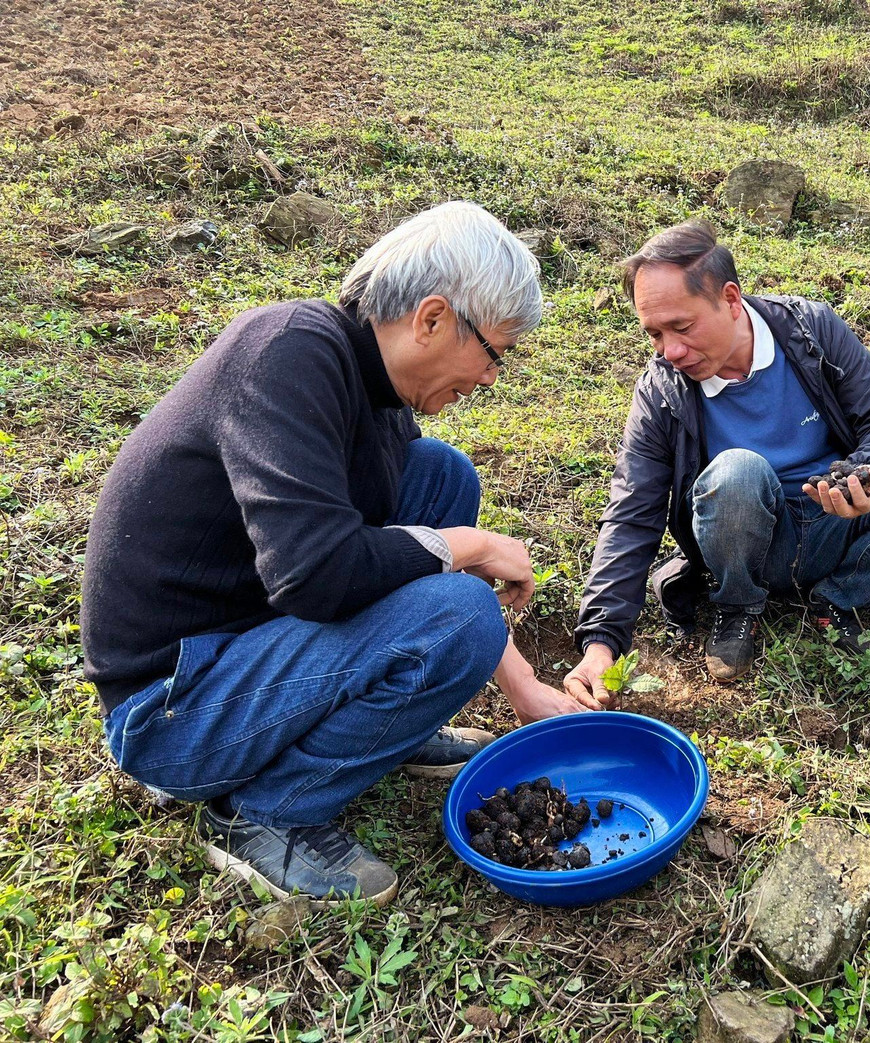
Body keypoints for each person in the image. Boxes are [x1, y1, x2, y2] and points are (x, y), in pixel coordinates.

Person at [82, 201, 598, 906]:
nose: (490, 377)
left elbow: (368, 548)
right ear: (432, 318)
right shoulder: (287, 353)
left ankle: (388, 725)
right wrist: (469, 546)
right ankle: (262, 811)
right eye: (494, 352)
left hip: (247, 643)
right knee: (459, 611)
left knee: (441, 476)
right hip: (174, 711)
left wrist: (523, 687)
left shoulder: (371, 386)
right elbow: (316, 576)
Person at [564, 220, 870, 697]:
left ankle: (839, 597)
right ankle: (738, 606)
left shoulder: (811, 331)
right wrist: (602, 642)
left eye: (682, 327)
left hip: (840, 526)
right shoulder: (662, 390)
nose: (671, 351)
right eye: (654, 334)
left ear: (731, 299)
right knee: (737, 470)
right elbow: (632, 512)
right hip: (747, 539)